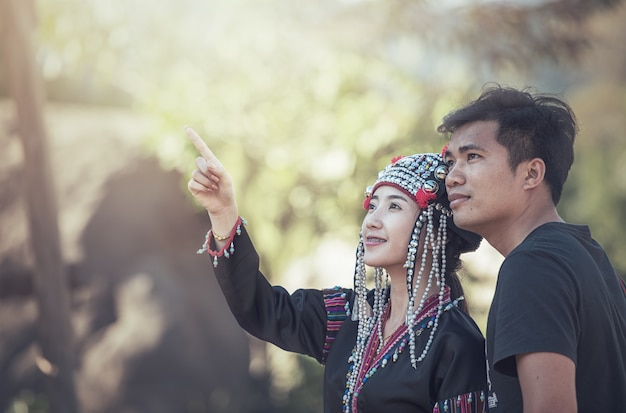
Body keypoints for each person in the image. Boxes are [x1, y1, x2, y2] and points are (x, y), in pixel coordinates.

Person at [185, 126, 488, 413]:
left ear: (434, 233)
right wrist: (224, 212)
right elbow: (260, 308)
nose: (372, 220)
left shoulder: (458, 345)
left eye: (394, 206)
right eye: (373, 206)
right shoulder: (350, 316)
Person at [439, 84, 626, 412]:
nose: (452, 176)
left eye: (472, 157)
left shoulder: (532, 267)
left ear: (532, 174)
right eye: (451, 162)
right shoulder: (589, 256)